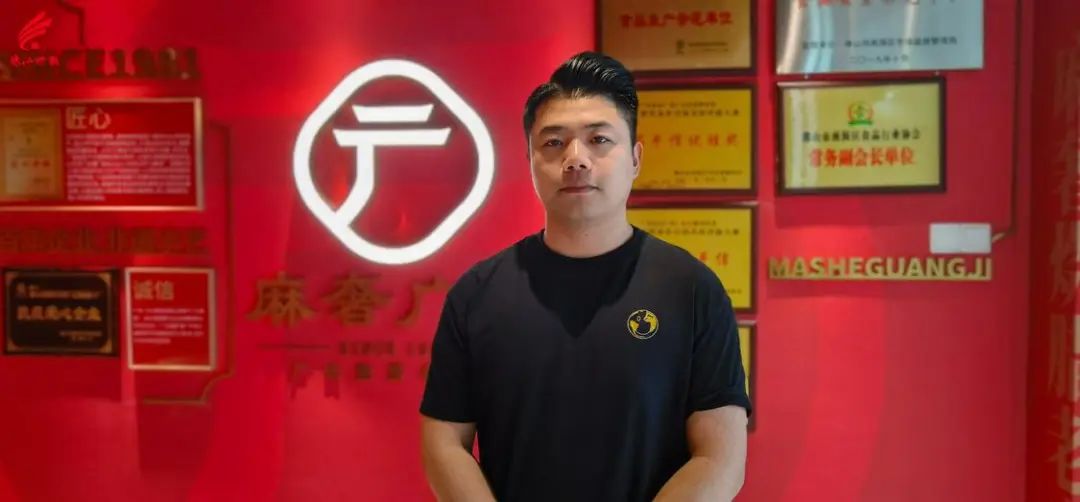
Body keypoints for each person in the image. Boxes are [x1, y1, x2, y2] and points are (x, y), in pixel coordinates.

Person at [419, 51, 751, 502]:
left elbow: (719, 456)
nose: (575, 159)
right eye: (554, 143)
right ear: (530, 160)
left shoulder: (691, 289)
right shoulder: (478, 295)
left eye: (599, 140)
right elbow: (444, 443)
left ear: (635, 158)